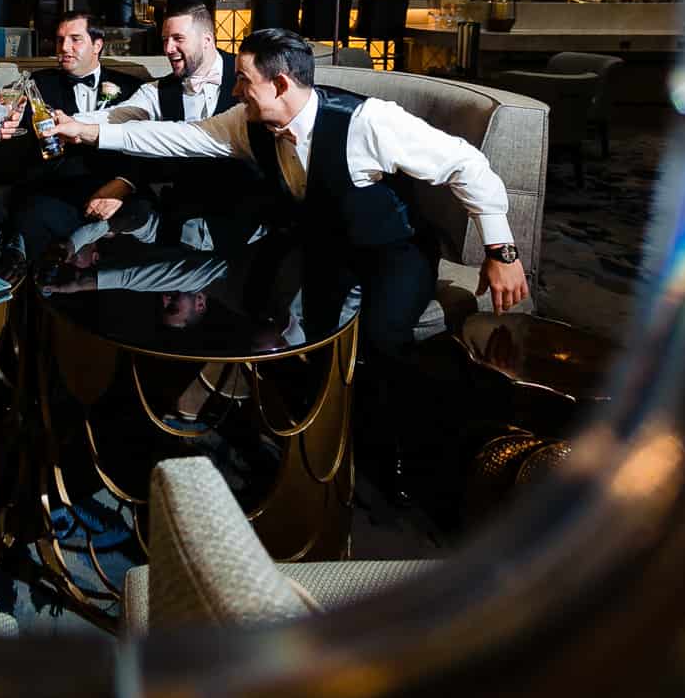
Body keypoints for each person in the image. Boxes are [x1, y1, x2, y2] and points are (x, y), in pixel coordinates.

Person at [51, 27, 526, 490]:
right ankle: (303, 438)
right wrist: (88, 132)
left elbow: (467, 164)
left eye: (243, 80)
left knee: (382, 341)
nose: (234, 90)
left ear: (280, 85)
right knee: (299, 330)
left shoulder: (368, 122)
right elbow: (174, 136)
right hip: (325, 247)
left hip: (394, 249)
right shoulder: (247, 124)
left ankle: (395, 459)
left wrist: (500, 250)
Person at [73, 0, 262, 250]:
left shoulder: (249, 75)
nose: (168, 48)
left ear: (207, 40)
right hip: (181, 221)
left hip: (249, 221)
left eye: (178, 39)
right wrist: (65, 122)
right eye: (165, 40)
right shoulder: (157, 91)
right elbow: (114, 116)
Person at [7, 9, 135, 261]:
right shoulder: (38, 84)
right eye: (59, 39)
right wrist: (5, 116)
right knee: (29, 212)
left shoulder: (132, 88)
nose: (64, 47)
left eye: (75, 39)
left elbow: (147, 144)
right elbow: (17, 131)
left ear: (97, 45)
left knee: (142, 210)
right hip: (58, 188)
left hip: (114, 184)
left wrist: (123, 183)